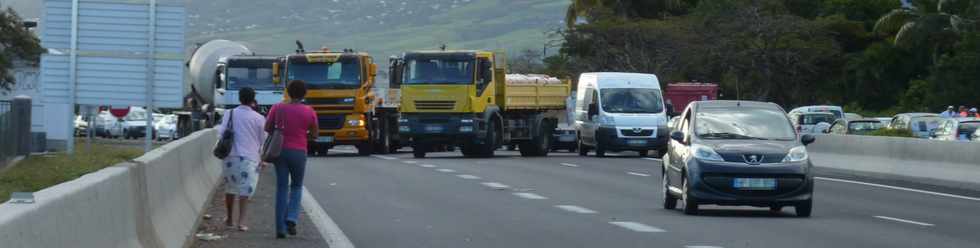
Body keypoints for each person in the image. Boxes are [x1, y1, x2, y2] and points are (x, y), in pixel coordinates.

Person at [265, 80, 319, 239]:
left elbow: (267, 128)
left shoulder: (277, 108)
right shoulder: (309, 111)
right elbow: (315, 134)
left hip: (279, 151)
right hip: (299, 152)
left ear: (288, 92)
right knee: (296, 186)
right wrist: (303, 134)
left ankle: (280, 229)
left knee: (282, 188)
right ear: (305, 94)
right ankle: (291, 218)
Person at [216, 87, 267, 232]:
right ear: (253, 100)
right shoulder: (258, 118)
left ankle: (229, 219)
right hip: (250, 159)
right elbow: (262, 140)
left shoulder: (229, 113)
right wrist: (262, 159)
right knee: (245, 191)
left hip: (230, 157)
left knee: (230, 188)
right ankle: (242, 222)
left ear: (239, 98)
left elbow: (221, 133)